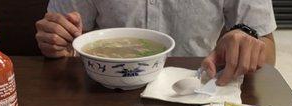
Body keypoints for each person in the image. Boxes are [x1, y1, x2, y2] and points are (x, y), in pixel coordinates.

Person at [36, 0, 276, 86]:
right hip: (107, 95)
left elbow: (267, 46)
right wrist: (60, 41)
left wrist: (247, 44)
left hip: (197, 89)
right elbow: (70, 36)